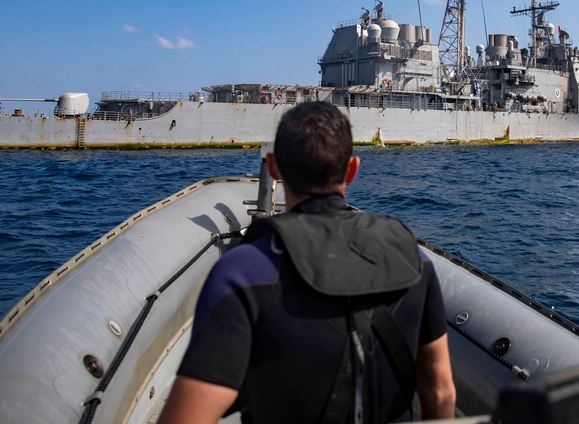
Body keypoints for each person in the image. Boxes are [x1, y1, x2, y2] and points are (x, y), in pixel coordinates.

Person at [158, 102, 456, 424]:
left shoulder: (242, 272)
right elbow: (441, 393)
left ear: (273, 167)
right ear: (352, 170)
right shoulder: (415, 259)